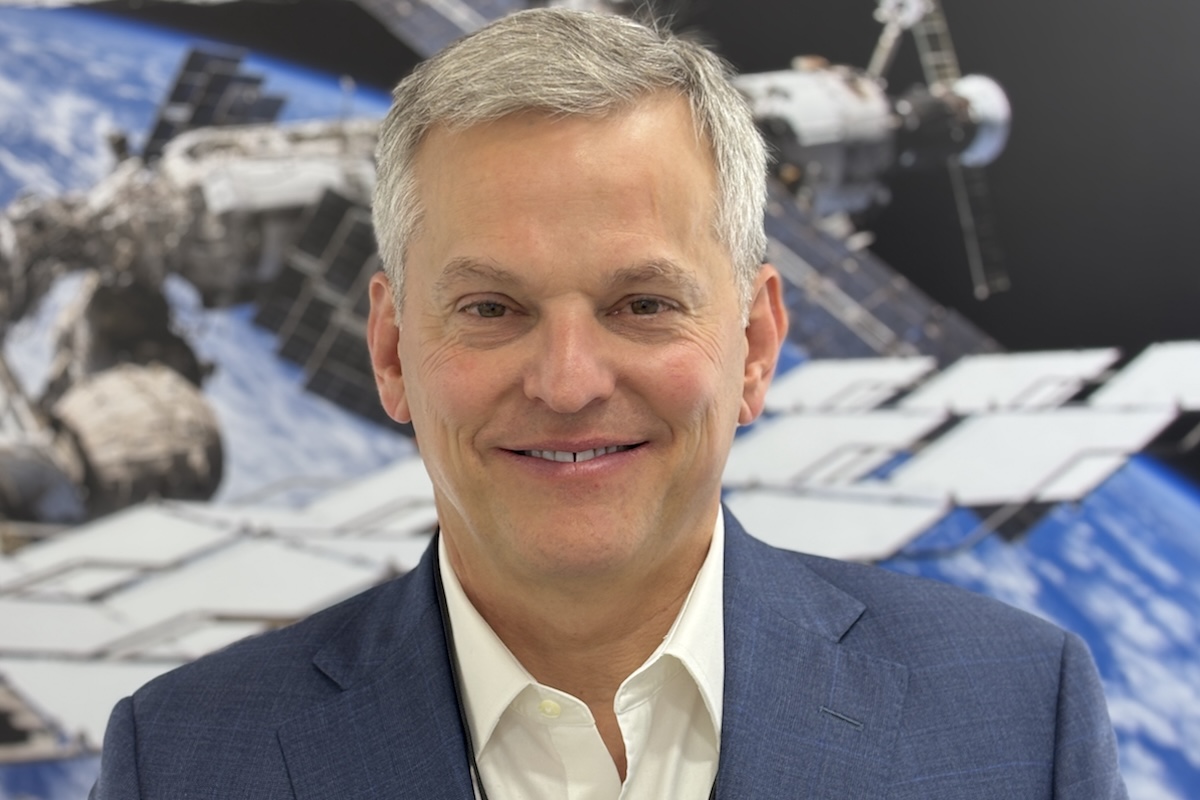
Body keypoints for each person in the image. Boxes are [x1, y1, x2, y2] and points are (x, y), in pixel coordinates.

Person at [91, 8, 1127, 799]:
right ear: (394, 352)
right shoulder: (183, 762)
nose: (569, 381)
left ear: (757, 346)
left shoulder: (1013, 721)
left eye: (643, 304)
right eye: (492, 308)